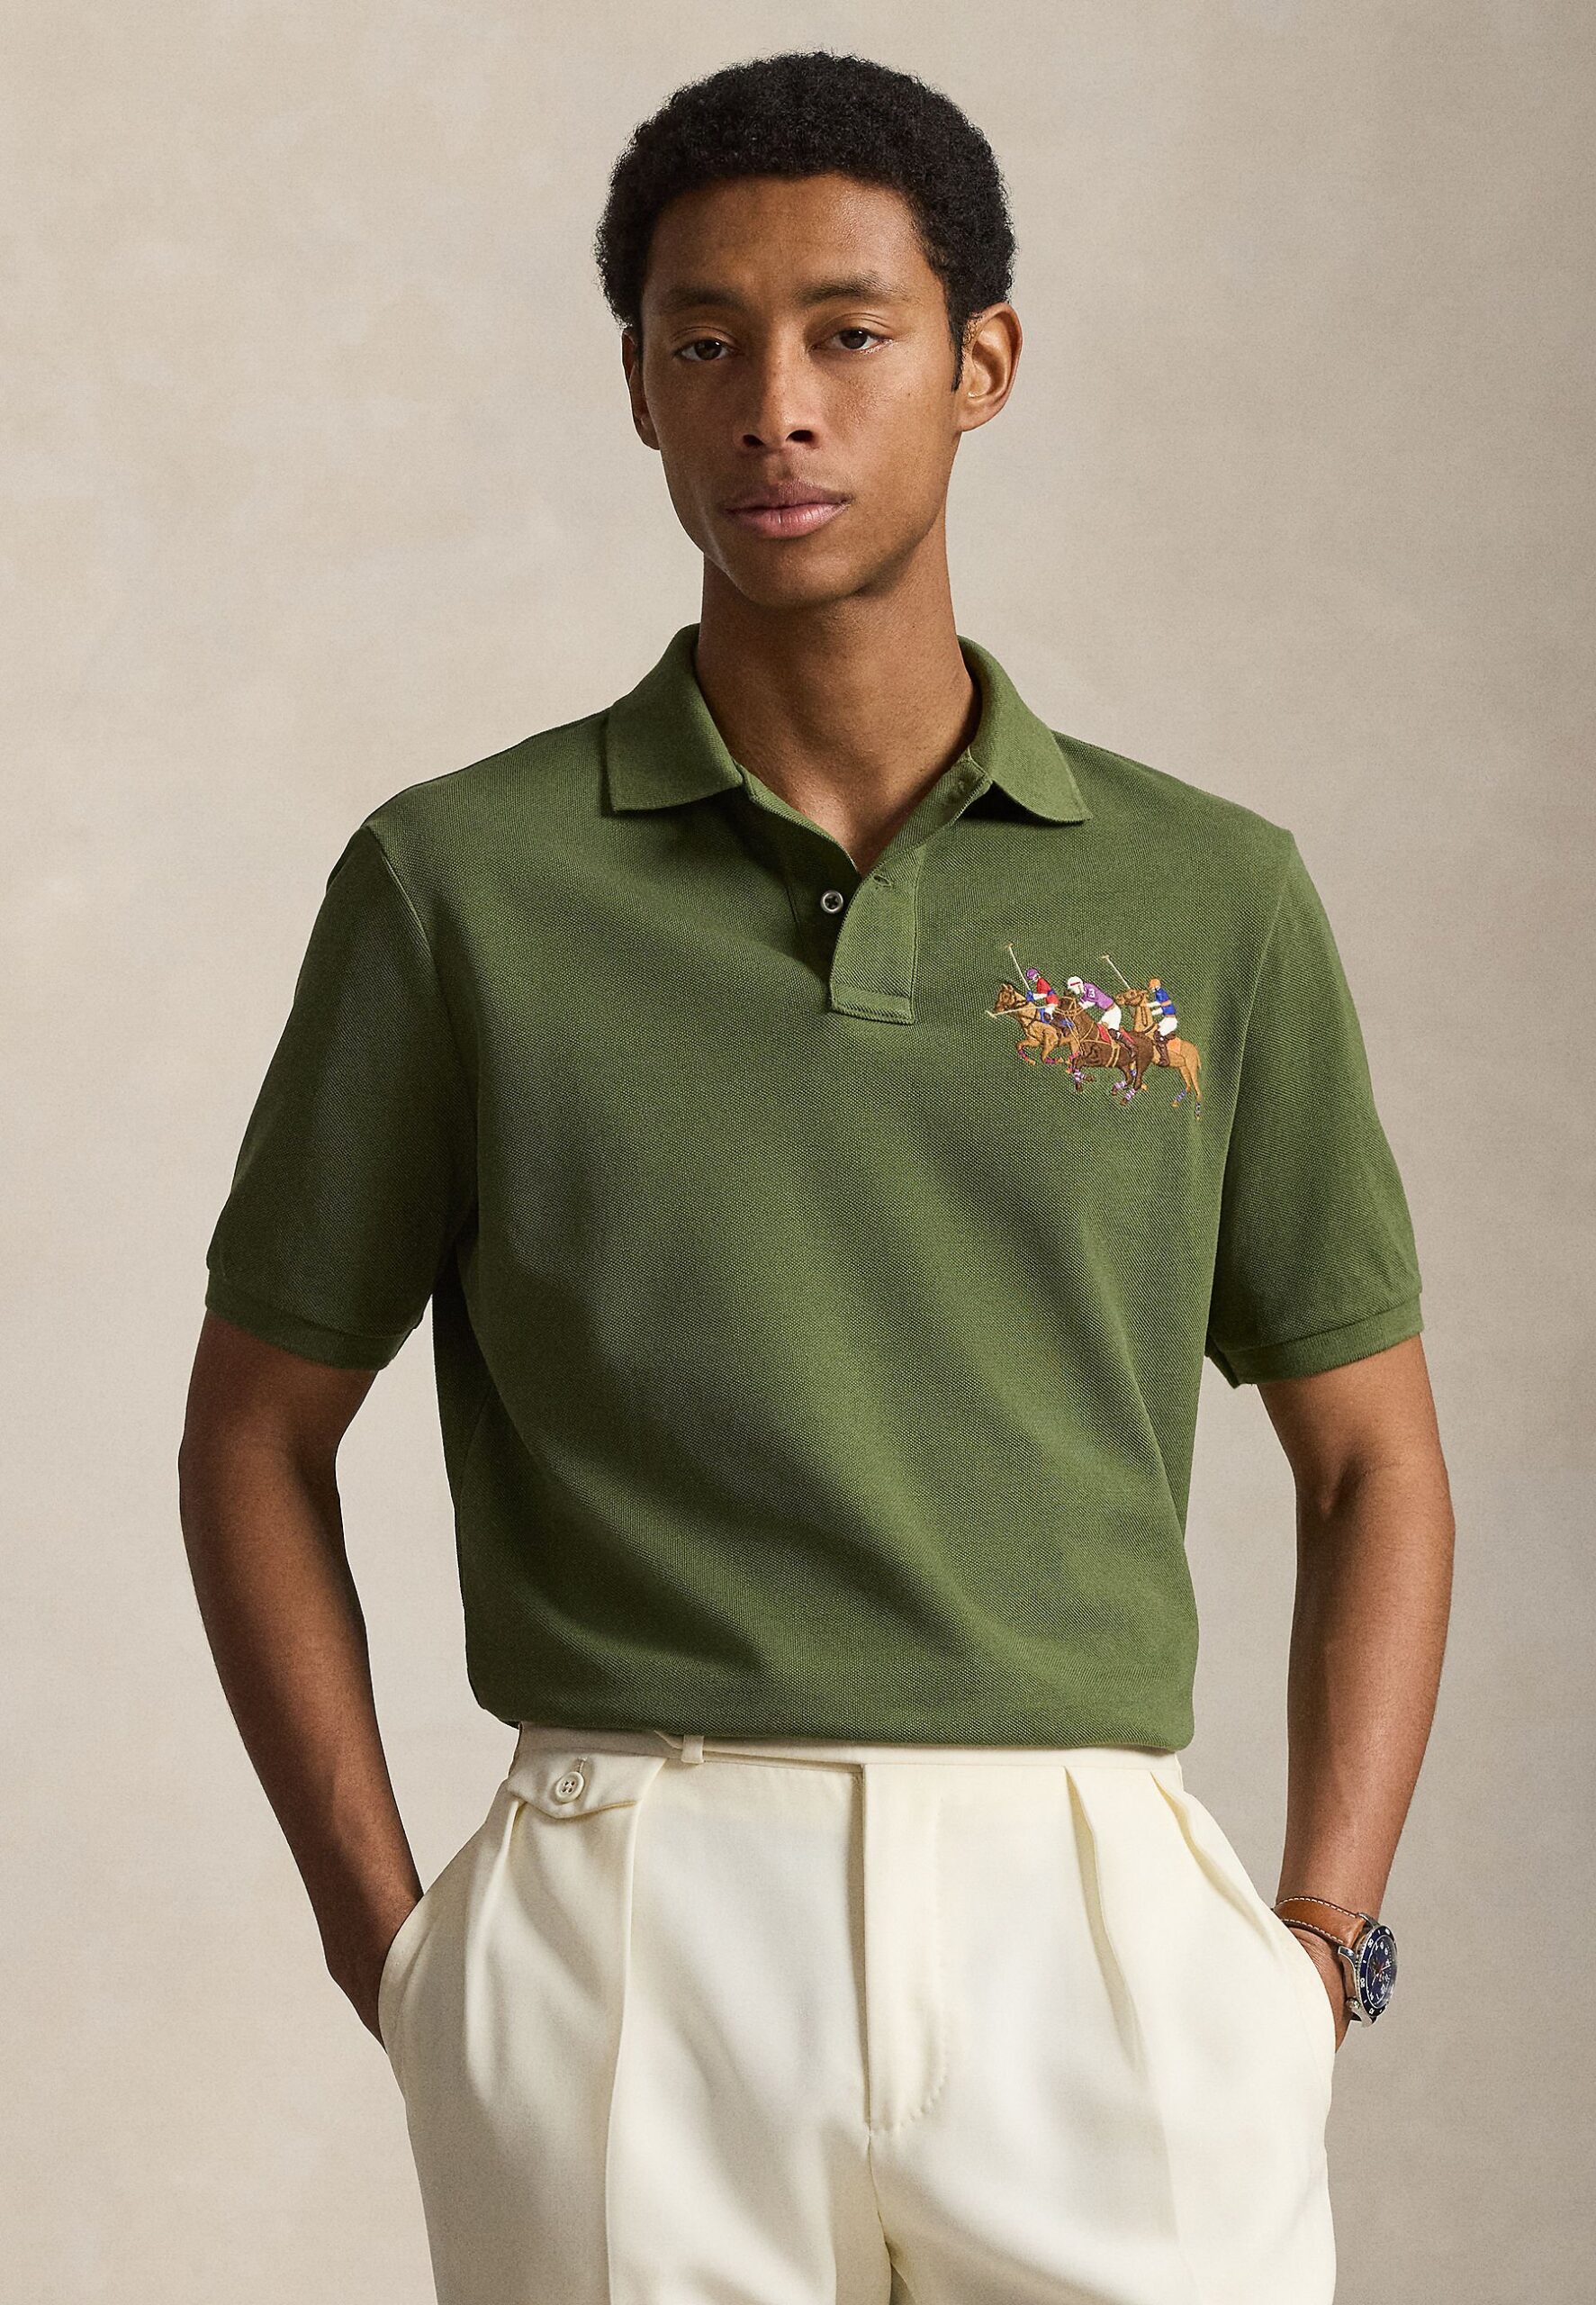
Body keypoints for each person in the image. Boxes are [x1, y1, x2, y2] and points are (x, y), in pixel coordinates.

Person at [177, 48, 1454, 2305]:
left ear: (980, 364)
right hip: (632, 1910)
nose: (773, 406)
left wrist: (1310, 1948)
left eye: (846, 333)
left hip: (1095, 1926)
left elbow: (1371, 1458)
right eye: (703, 343)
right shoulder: (457, 885)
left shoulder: (1209, 894)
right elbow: (252, 1433)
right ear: (638, 390)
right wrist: (404, 1955)